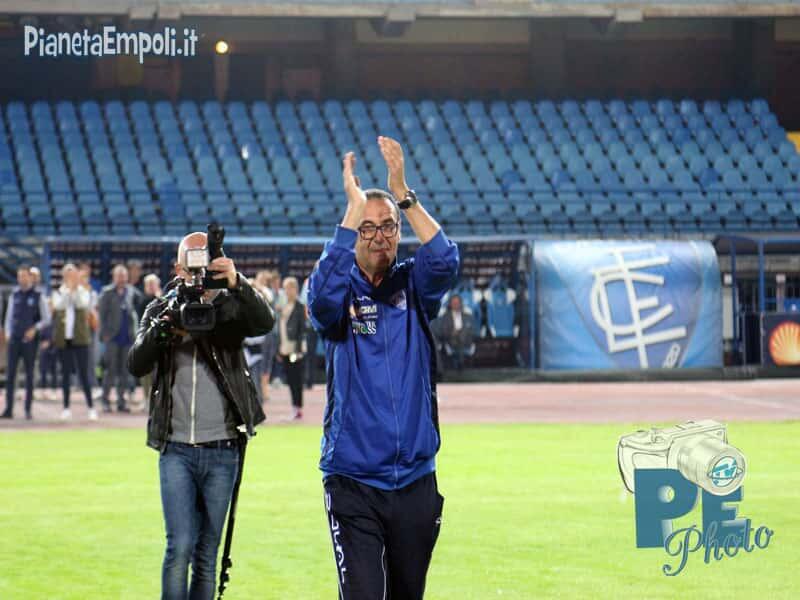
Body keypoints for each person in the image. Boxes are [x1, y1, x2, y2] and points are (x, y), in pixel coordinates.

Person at [308, 136, 459, 599]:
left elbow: (445, 260)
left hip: (415, 479)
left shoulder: (413, 285)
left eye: (387, 226)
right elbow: (319, 302)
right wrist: (350, 214)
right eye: (368, 227)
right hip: (353, 480)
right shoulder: (341, 292)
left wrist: (403, 194)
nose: (379, 237)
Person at [127, 231, 275, 600]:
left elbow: (265, 322)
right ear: (178, 268)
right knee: (179, 548)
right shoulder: (160, 309)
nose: (197, 274)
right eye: (190, 266)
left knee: (207, 554)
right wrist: (163, 329)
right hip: (175, 448)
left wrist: (237, 282)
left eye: (204, 266)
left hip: (223, 448)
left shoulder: (229, 308)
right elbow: (136, 363)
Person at [2, 265, 51, 419]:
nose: (21, 279)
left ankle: (28, 409)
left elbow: (47, 318)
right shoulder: (14, 295)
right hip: (14, 340)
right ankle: (8, 409)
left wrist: (35, 329)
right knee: (11, 375)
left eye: (24, 276)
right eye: (19, 276)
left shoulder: (38, 296)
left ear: (30, 277)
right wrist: (8, 333)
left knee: (30, 375)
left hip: (30, 342)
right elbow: (9, 317)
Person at [51, 263, 97, 421]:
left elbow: (82, 304)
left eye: (73, 275)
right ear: (64, 277)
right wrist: (68, 291)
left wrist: (74, 290)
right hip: (64, 340)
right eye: (68, 275)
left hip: (81, 339)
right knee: (65, 374)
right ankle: (66, 408)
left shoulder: (84, 291)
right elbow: (59, 306)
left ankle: (91, 407)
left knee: (83, 374)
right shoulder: (58, 292)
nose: (70, 278)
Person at [98, 264, 140, 413]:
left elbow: (137, 307)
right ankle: (105, 400)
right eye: (119, 276)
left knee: (124, 372)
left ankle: (121, 401)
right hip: (112, 337)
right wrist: (104, 334)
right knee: (110, 370)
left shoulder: (131, 291)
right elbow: (101, 315)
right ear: (114, 277)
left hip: (128, 337)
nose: (122, 279)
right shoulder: (107, 292)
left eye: (124, 276)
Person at [276, 276, 306, 420]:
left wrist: (298, 350)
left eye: (289, 288)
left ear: (295, 289)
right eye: (285, 288)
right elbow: (280, 328)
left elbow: (301, 330)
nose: (287, 291)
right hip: (284, 347)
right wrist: (278, 348)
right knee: (289, 378)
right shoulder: (283, 306)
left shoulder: (299, 306)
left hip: (294, 348)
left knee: (296, 378)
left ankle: (298, 407)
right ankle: (294, 406)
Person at [138, 273, 162, 408]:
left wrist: (159, 297)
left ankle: (157, 399)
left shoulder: (163, 299)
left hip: (160, 340)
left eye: (153, 284)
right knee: (145, 372)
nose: (151, 287)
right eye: (149, 285)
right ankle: (146, 398)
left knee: (159, 371)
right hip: (146, 340)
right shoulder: (142, 300)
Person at [438, 294, 477, 372]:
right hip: (451, 339)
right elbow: (443, 331)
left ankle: (458, 364)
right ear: (450, 304)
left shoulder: (468, 316)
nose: (456, 305)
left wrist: (462, 332)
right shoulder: (446, 317)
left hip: (465, 340)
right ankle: (460, 364)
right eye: (454, 303)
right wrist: (452, 332)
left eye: (457, 303)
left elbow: (473, 330)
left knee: (462, 335)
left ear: (461, 303)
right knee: (457, 340)